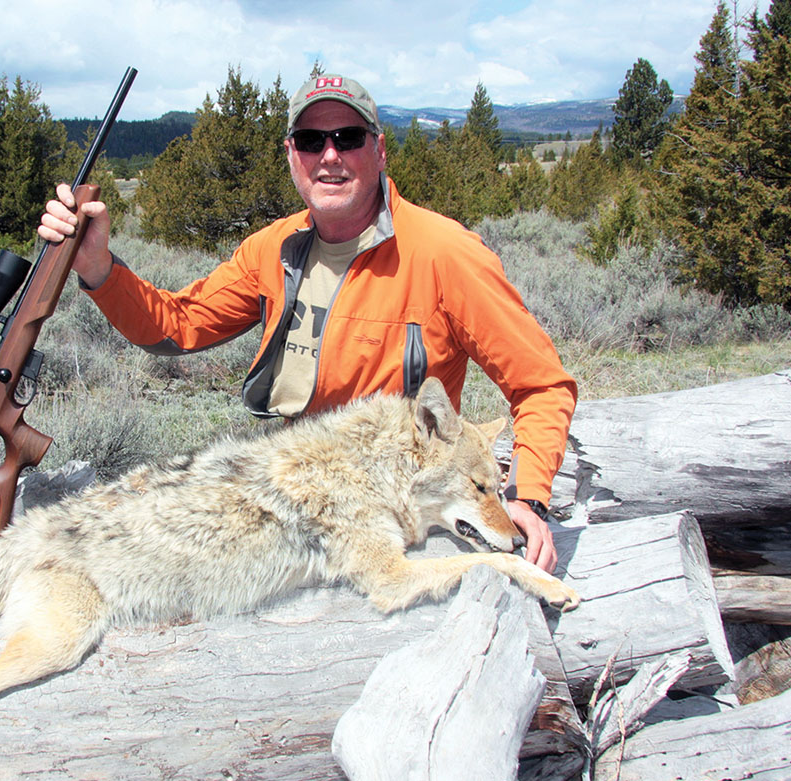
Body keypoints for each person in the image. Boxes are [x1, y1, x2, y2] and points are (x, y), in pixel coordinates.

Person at [38, 74, 577, 572]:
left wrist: (527, 498)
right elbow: (178, 325)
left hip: (388, 514)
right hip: (294, 489)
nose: (330, 156)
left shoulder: (445, 255)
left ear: (380, 148)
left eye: (348, 137)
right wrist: (98, 267)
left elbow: (542, 385)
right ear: (291, 155)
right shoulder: (275, 249)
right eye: (311, 141)